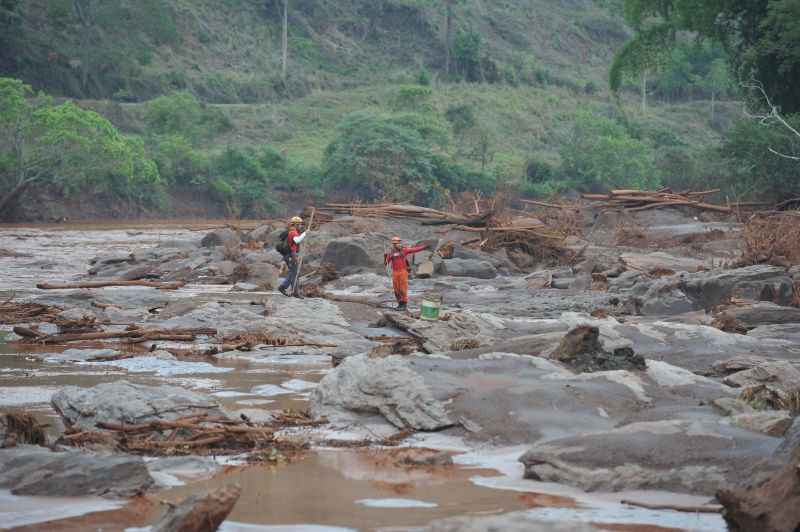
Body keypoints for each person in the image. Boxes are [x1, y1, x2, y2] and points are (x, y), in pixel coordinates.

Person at [384, 236, 429, 311]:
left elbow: (415, 249)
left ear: (399, 243)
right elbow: (386, 263)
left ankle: (404, 305)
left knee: (403, 288)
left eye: (397, 243)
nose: (395, 245)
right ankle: (399, 304)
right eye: (394, 243)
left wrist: (424, 247)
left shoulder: (404, 250)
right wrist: (385, 256)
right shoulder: (391, 253)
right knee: (396, 289)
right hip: (395, 272)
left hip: (403, 272)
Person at [278, 216, 307, 298]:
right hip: (292, 255)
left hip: (290, 255)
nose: (301, 226)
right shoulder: (293, 232)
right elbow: (297, 240)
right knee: (294, 273)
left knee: (293, 273)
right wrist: (305, 233)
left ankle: (292, 290)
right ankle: (286, 288)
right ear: (296, 224)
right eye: (300, 224)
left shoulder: (292, 232)